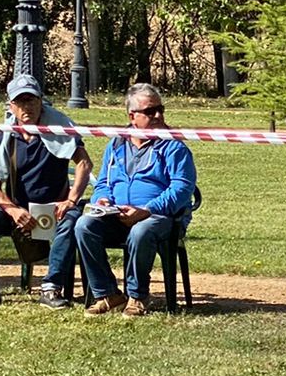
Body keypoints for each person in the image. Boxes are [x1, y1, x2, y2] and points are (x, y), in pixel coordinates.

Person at [73, 82, 197, 317]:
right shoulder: (116, 143)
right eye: (150, 112)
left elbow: (182, 189)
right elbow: (104, 183)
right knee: (83, 226)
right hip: (117, 215)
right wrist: (102, 201)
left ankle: (137, 296)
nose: (158, 115)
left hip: (160, 218)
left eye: (160, 109)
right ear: (132, 116)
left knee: (142, 231)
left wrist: (146, 210)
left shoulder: (174, 147)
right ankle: (107, 294)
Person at [0, 75, 92, 310]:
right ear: (11, 106)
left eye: (32, 100)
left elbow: (84, 164)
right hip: (18, 210)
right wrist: (13, 211)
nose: (27, 107)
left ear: (41, 101)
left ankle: (51, 288)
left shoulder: (59, 127)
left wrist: (71, 200)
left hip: (55, 210)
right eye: (21, 101)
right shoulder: (2, 136)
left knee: (72, 221)